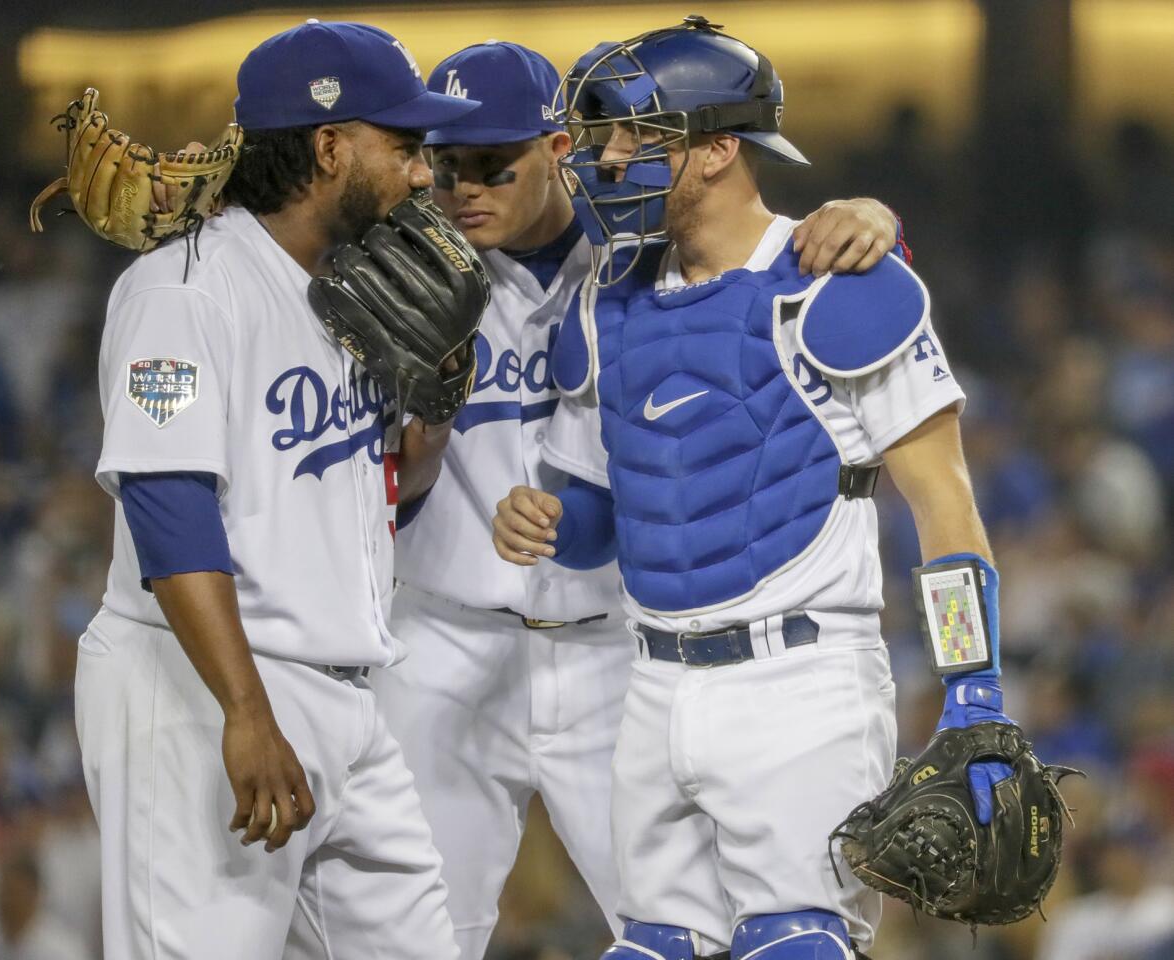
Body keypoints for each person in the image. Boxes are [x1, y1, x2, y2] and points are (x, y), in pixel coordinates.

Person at [369, 37, 905, 960]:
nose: (464, 187)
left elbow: (781, 257)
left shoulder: (637, 249)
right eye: (446, 164)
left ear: (560, 149)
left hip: (617, 650)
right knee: (411, 938)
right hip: (446, 642)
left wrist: (874, 217)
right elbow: (386, 486)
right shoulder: (401, 274)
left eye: (492, 164)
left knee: (684, 928)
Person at [493, 17, 1016, 960]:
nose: (610, 160)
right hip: (649, 683)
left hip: (802, 679)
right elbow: (601, 519)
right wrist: (548, 521)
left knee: (794, 942)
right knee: (649, 945)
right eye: (607, 136)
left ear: (719, 149)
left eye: (637, 138)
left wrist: (974, 688)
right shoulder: (599, 302)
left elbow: (945, 504)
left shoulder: (840, 282)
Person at [74, 20, 477, 959]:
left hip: (344, 693)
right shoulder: (183, 291)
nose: (425, 176)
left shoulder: (345, 292)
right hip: (202, 689)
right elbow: (168, 509)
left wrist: (437, 410)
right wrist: (244, 712)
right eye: (405, 146)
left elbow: (377, 500)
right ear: (329, 146)